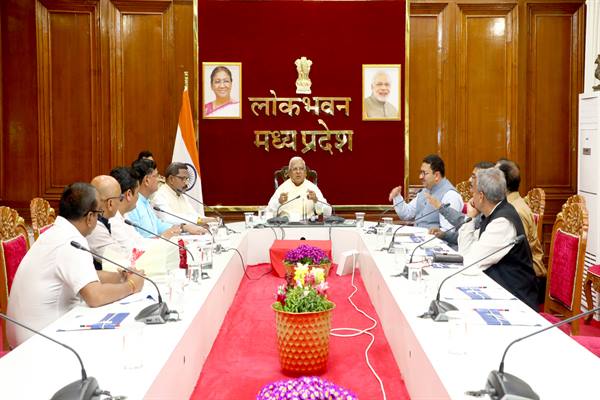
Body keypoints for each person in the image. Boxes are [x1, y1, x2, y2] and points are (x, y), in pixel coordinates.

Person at [6, 183, 145, 347]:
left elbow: (86, 275)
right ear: (90, 217)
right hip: (41, 341)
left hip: (26, 335)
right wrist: (131, 286)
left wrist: (120, 277)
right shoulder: (71, 241)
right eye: (99, 214)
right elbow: (95, 297)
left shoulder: (57, 233)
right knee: (120, 337)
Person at [458, 168, 538, 310]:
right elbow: (464, 252)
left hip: (515, 301)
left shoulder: (502, 223)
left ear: (481, 196)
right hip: (498, 291)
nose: (470, 193)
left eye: (472, 190)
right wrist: (470, 218)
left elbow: (470, 263)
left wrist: (470, 217)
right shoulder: (494, 214)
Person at [496, 159, 546, 303]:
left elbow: (517, 254)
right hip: (515, 270)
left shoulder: (515, 211)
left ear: (502, 183)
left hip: (527, 279)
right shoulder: (509, 205)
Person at [126, 158, 205, 238]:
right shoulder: (133, 205)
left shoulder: (146, 202)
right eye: (156, 176)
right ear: (147, 180)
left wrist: (183, 227)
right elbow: (139, 241)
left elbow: (158, 225)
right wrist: (163, 237)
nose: (159, 179)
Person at [425, 161, 495, 247]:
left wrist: (441, 207)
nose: (469, 180)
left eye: (473, 177)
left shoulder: (494, 216)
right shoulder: (480, 210)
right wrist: (444, 235)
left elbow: (462, 222)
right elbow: (464, 235)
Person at [388, 154, 463, 230]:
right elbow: (407, 214)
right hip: (416, 235)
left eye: (424, 173)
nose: (420, 177)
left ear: (436, 175)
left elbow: (448, 231)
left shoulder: (451, 195)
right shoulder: (425, 191)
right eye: (420, 172)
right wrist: (397, 196)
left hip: (432, 237)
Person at [267, 157, 331, 221]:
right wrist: (279, 202)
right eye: (295, 169)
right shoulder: (282, 189)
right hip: (286, 224)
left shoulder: (312, 188)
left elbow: (328, 213)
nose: (298, 172)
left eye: (301, 169)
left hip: (308, 224)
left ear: (305, 173)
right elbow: (268, 212)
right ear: (289, 173)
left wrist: (316, 200)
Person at [87, 175, 125, 269]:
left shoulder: (97, 219)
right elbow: (119, 260)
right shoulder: (94, 227)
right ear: (110, 203)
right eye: (120, 198)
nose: (121, 202)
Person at [109, 166, 144, 250]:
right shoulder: (113, 221)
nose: (138, 197)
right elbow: (132, 251)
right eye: (137, 193)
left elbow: (140, 241)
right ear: (128, 194)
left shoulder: (124, 215)